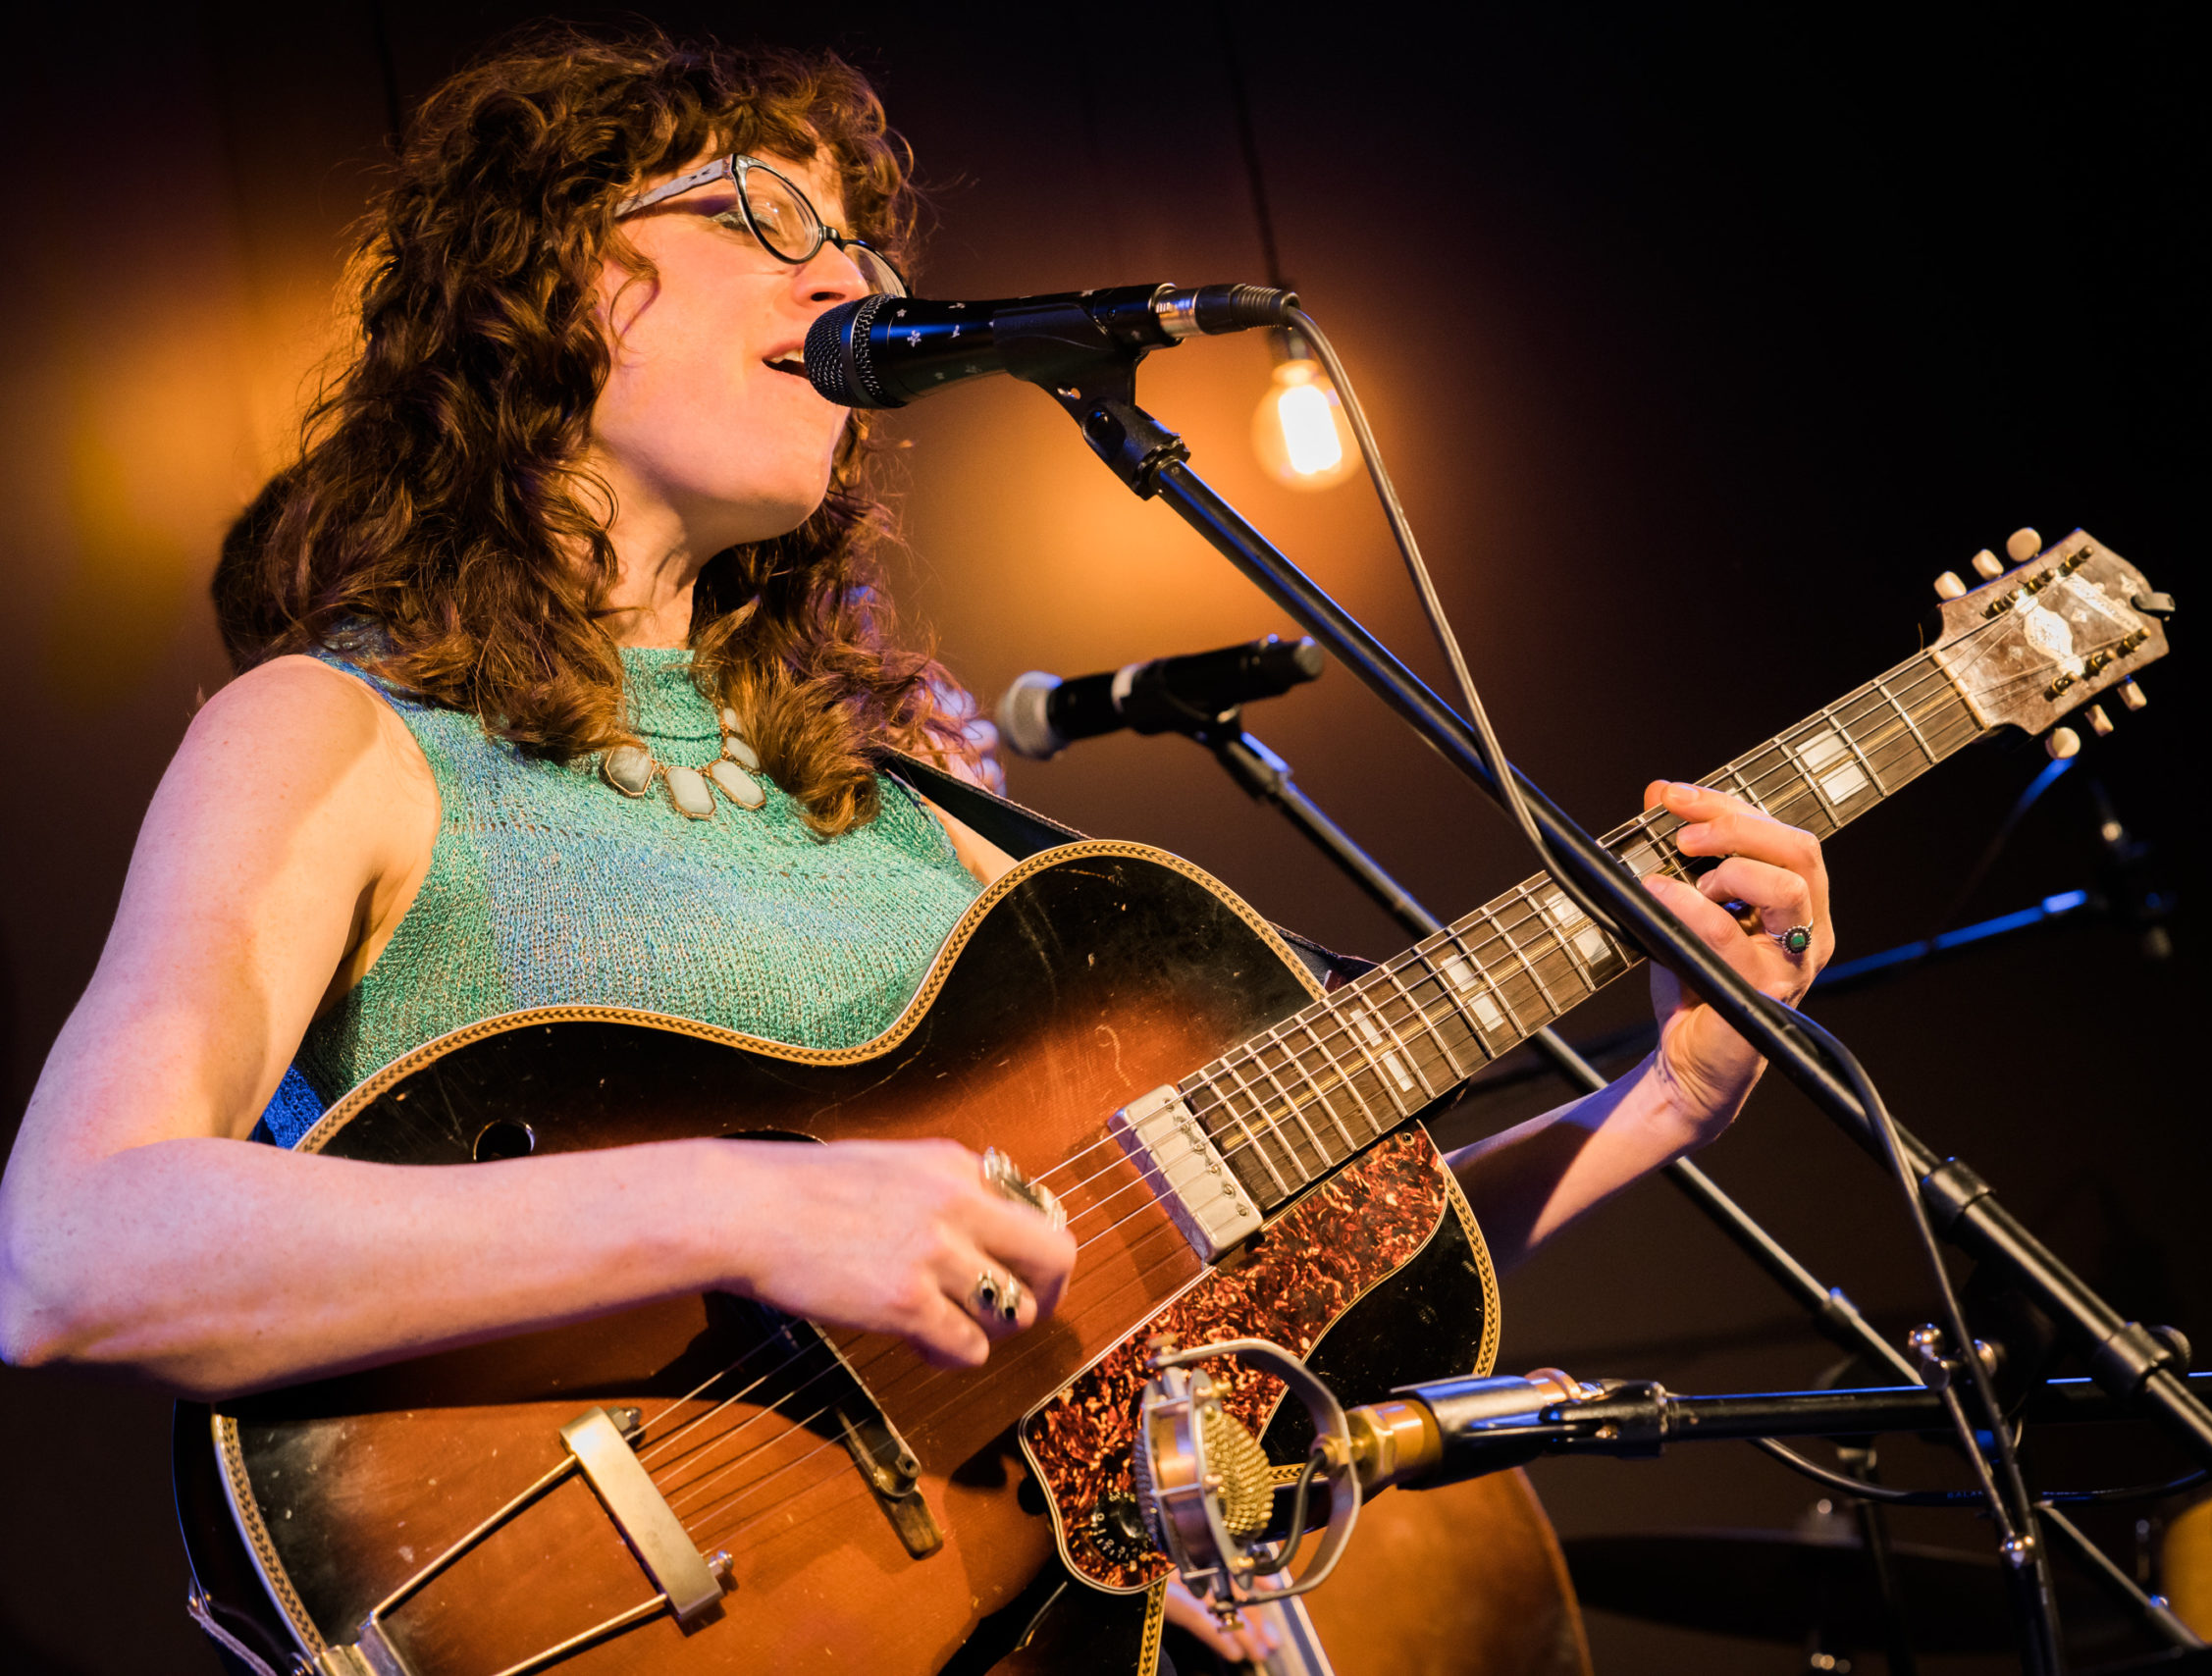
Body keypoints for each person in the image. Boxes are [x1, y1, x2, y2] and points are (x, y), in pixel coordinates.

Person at [0, 26, 1832, 1670]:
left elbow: (1248, 1312)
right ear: (548, 285)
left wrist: (1651, 1105)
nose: (858, 277)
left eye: (865, 245)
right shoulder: (341, 733)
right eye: (766, 224)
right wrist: (743, 1201)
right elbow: (76, 1252)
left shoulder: (909, 797)